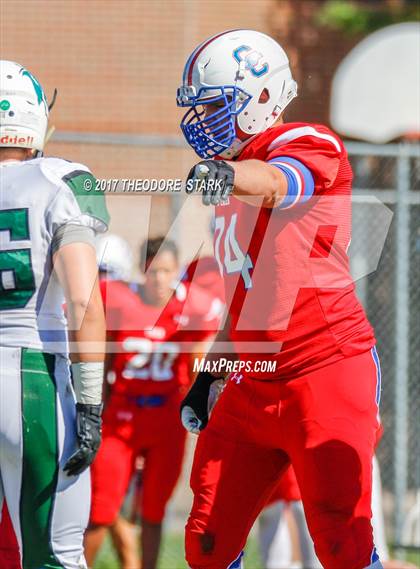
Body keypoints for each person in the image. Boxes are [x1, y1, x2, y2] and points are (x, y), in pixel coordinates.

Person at [177, 30, 383, 569]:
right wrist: (210, 373)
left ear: (261, 97)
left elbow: (276, 180)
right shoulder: (232, 186)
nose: (204, 121)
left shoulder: (307, 142)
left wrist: (228, 175)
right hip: (253, 376)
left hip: (324, 367)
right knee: (207, 542)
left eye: (215, 107)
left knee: (343, 543)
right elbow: (243, 302)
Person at [0, 61, 108, 568]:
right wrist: (90, 404)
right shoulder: (60, 180)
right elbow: (84, 302)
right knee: (55, 554)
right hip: (30, 379)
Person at [84, 236, 222, 569]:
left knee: (154, 510)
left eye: (166, 271)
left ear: (176, 272)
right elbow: (101, 353)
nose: (159, 278)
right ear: (142, 270)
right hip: (122, 414)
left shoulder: (193, 308)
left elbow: (204, 356)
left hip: (166, 417)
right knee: (102, 508)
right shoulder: (117, 299)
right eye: (153, 270)